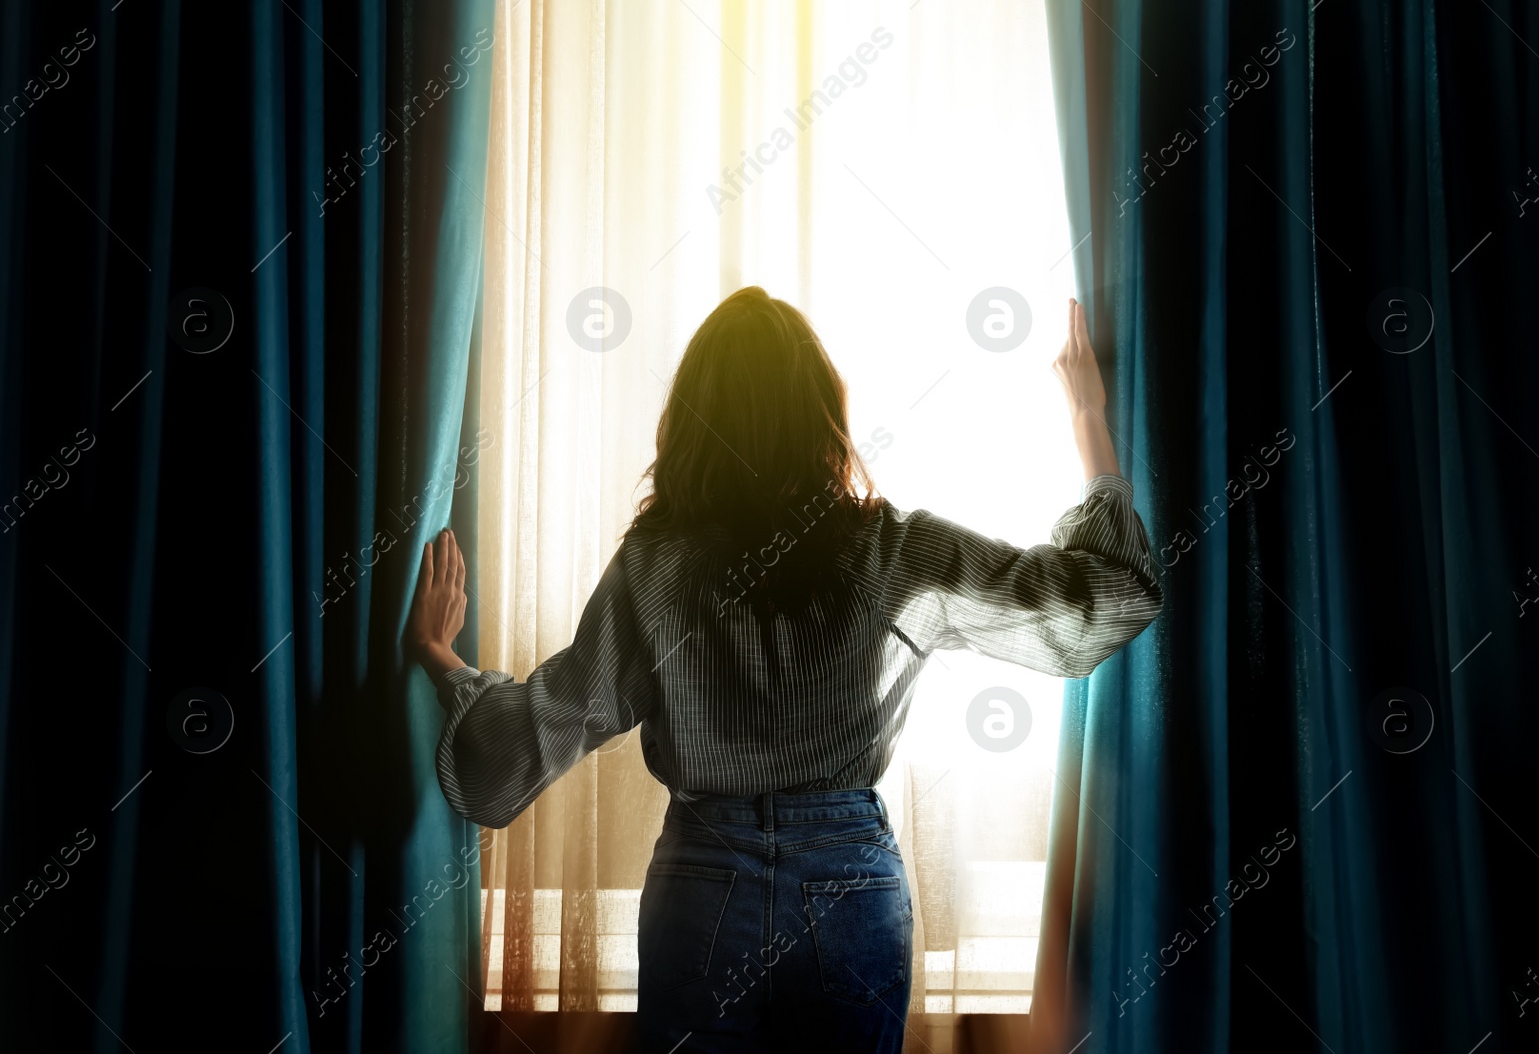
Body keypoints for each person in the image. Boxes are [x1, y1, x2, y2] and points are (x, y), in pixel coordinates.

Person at [406, 286, 1162, 1053]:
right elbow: (1105, 601)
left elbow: (521, 747)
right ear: (822, 413)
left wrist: (442, 661)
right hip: (851, 885)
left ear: (695, 421)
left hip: (703, 883)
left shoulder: (656, 565)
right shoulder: (894, 549)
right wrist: (1087, 420)